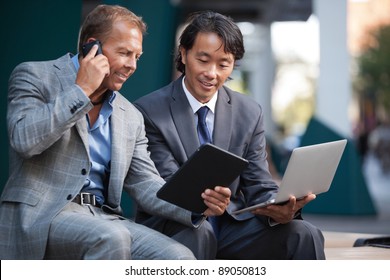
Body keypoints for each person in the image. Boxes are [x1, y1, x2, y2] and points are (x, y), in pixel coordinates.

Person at [0, 4, 230, 260]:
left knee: (178, 256)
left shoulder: (129, 115)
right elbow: (24, 141)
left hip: (103, 216)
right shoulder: (35, 76)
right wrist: (81, 91)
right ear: (92, 47)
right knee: (111, 237)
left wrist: (198, 203)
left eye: (137, 57)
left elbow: (145, 184)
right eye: (124, 53)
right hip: (44, 215)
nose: (132, 65)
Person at [134, 10, 326, 259]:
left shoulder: (249, 112)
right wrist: (206, 201)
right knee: (199, 234)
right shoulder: (149, 111)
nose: (212, 73)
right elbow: (166, 187)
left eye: (223, 64)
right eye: (203, 60)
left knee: (303, 233)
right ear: (183, 53)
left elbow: (258, 182)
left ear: (233, 64)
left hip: (231, 225)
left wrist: (279, 204)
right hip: (174, 225)